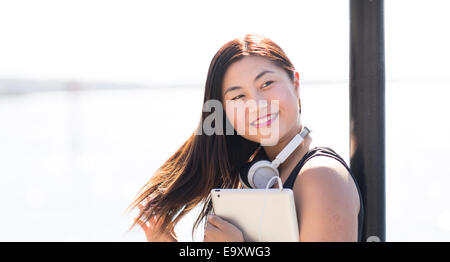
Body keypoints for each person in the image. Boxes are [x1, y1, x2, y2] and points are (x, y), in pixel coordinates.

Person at [127, 34, 363, 242]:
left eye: (267, 83)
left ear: (296, 84)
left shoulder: (321, 177)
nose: (257, 105)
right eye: (238, 96)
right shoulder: (257, 176)